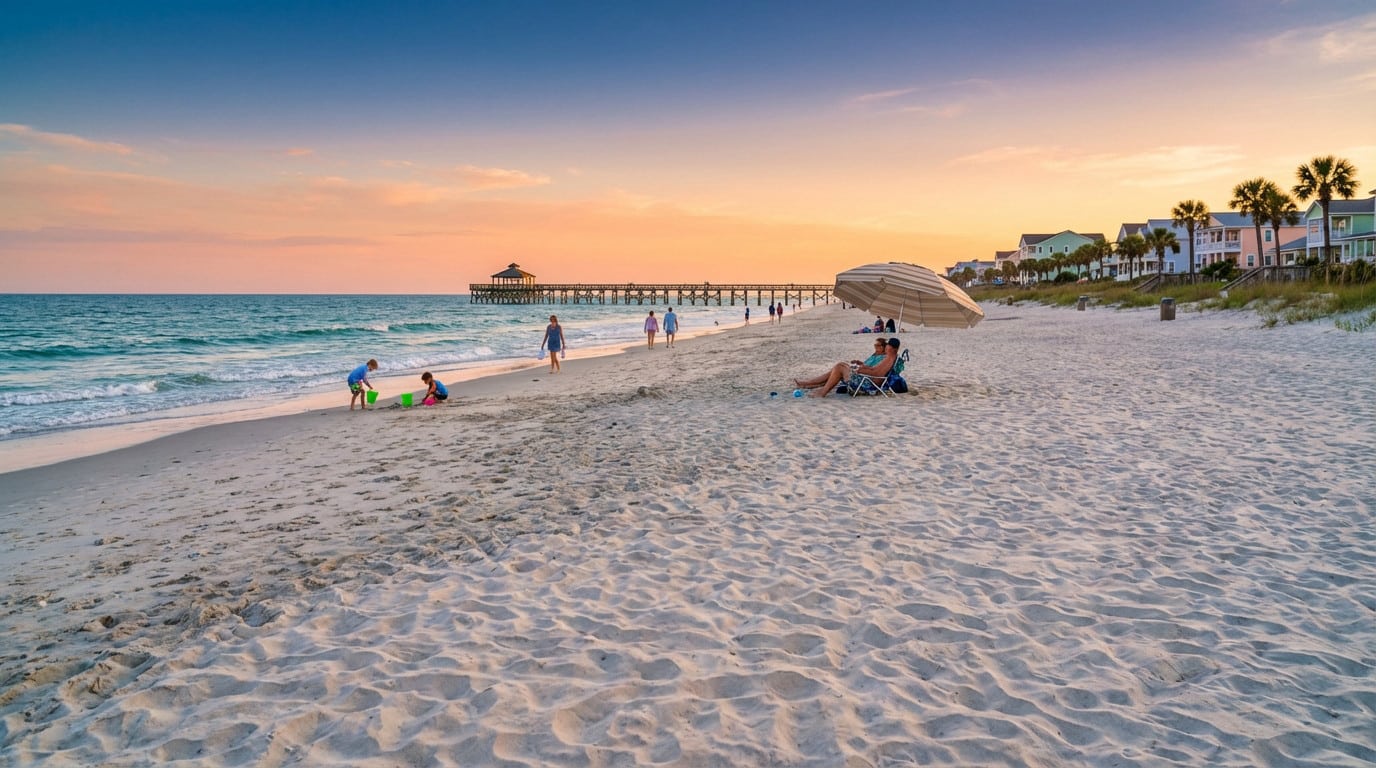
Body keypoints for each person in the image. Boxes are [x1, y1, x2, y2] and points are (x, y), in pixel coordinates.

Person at [795, 338, 900, 398]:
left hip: (867, 383)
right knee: (840, 366)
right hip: (867, 379)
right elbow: (874, 369)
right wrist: (862, 367)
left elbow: (876, 373)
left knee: (840, 367)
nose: (885, 348)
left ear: (890, 348)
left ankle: (822, 392)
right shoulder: (891, 358)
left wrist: (861, 370)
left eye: (887, 346)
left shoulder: (888, 359)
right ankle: (810, 384)